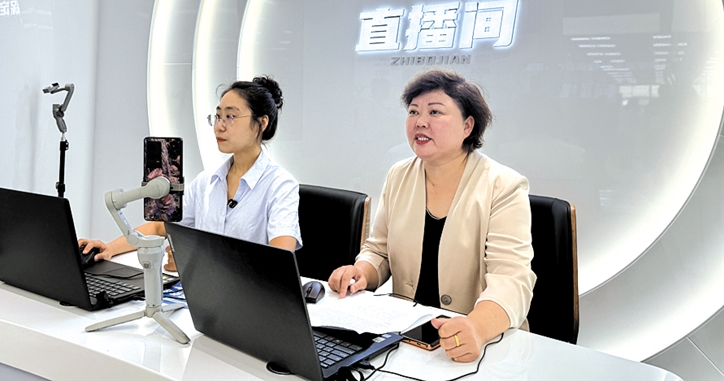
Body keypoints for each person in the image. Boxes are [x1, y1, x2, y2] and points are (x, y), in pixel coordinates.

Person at [328, 69, 535, 363]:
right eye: (413, 111)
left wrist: (477, 327)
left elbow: (511, 280)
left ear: (467, 126)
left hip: (483, 347)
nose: (420, 121)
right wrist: (361, 271)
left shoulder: (504, 185)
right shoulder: (399, 175)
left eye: (435, 112)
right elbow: (379, 250)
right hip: (409, 341)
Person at [79, 75, 302, 270]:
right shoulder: (207, 182)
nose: (219, 126)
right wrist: (109, 248)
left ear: (261, 123)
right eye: (218, 116)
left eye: (230, 117)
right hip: (201, 295)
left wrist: (194, 265)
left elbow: (279, 263)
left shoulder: (281, 186)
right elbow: (159, 226)